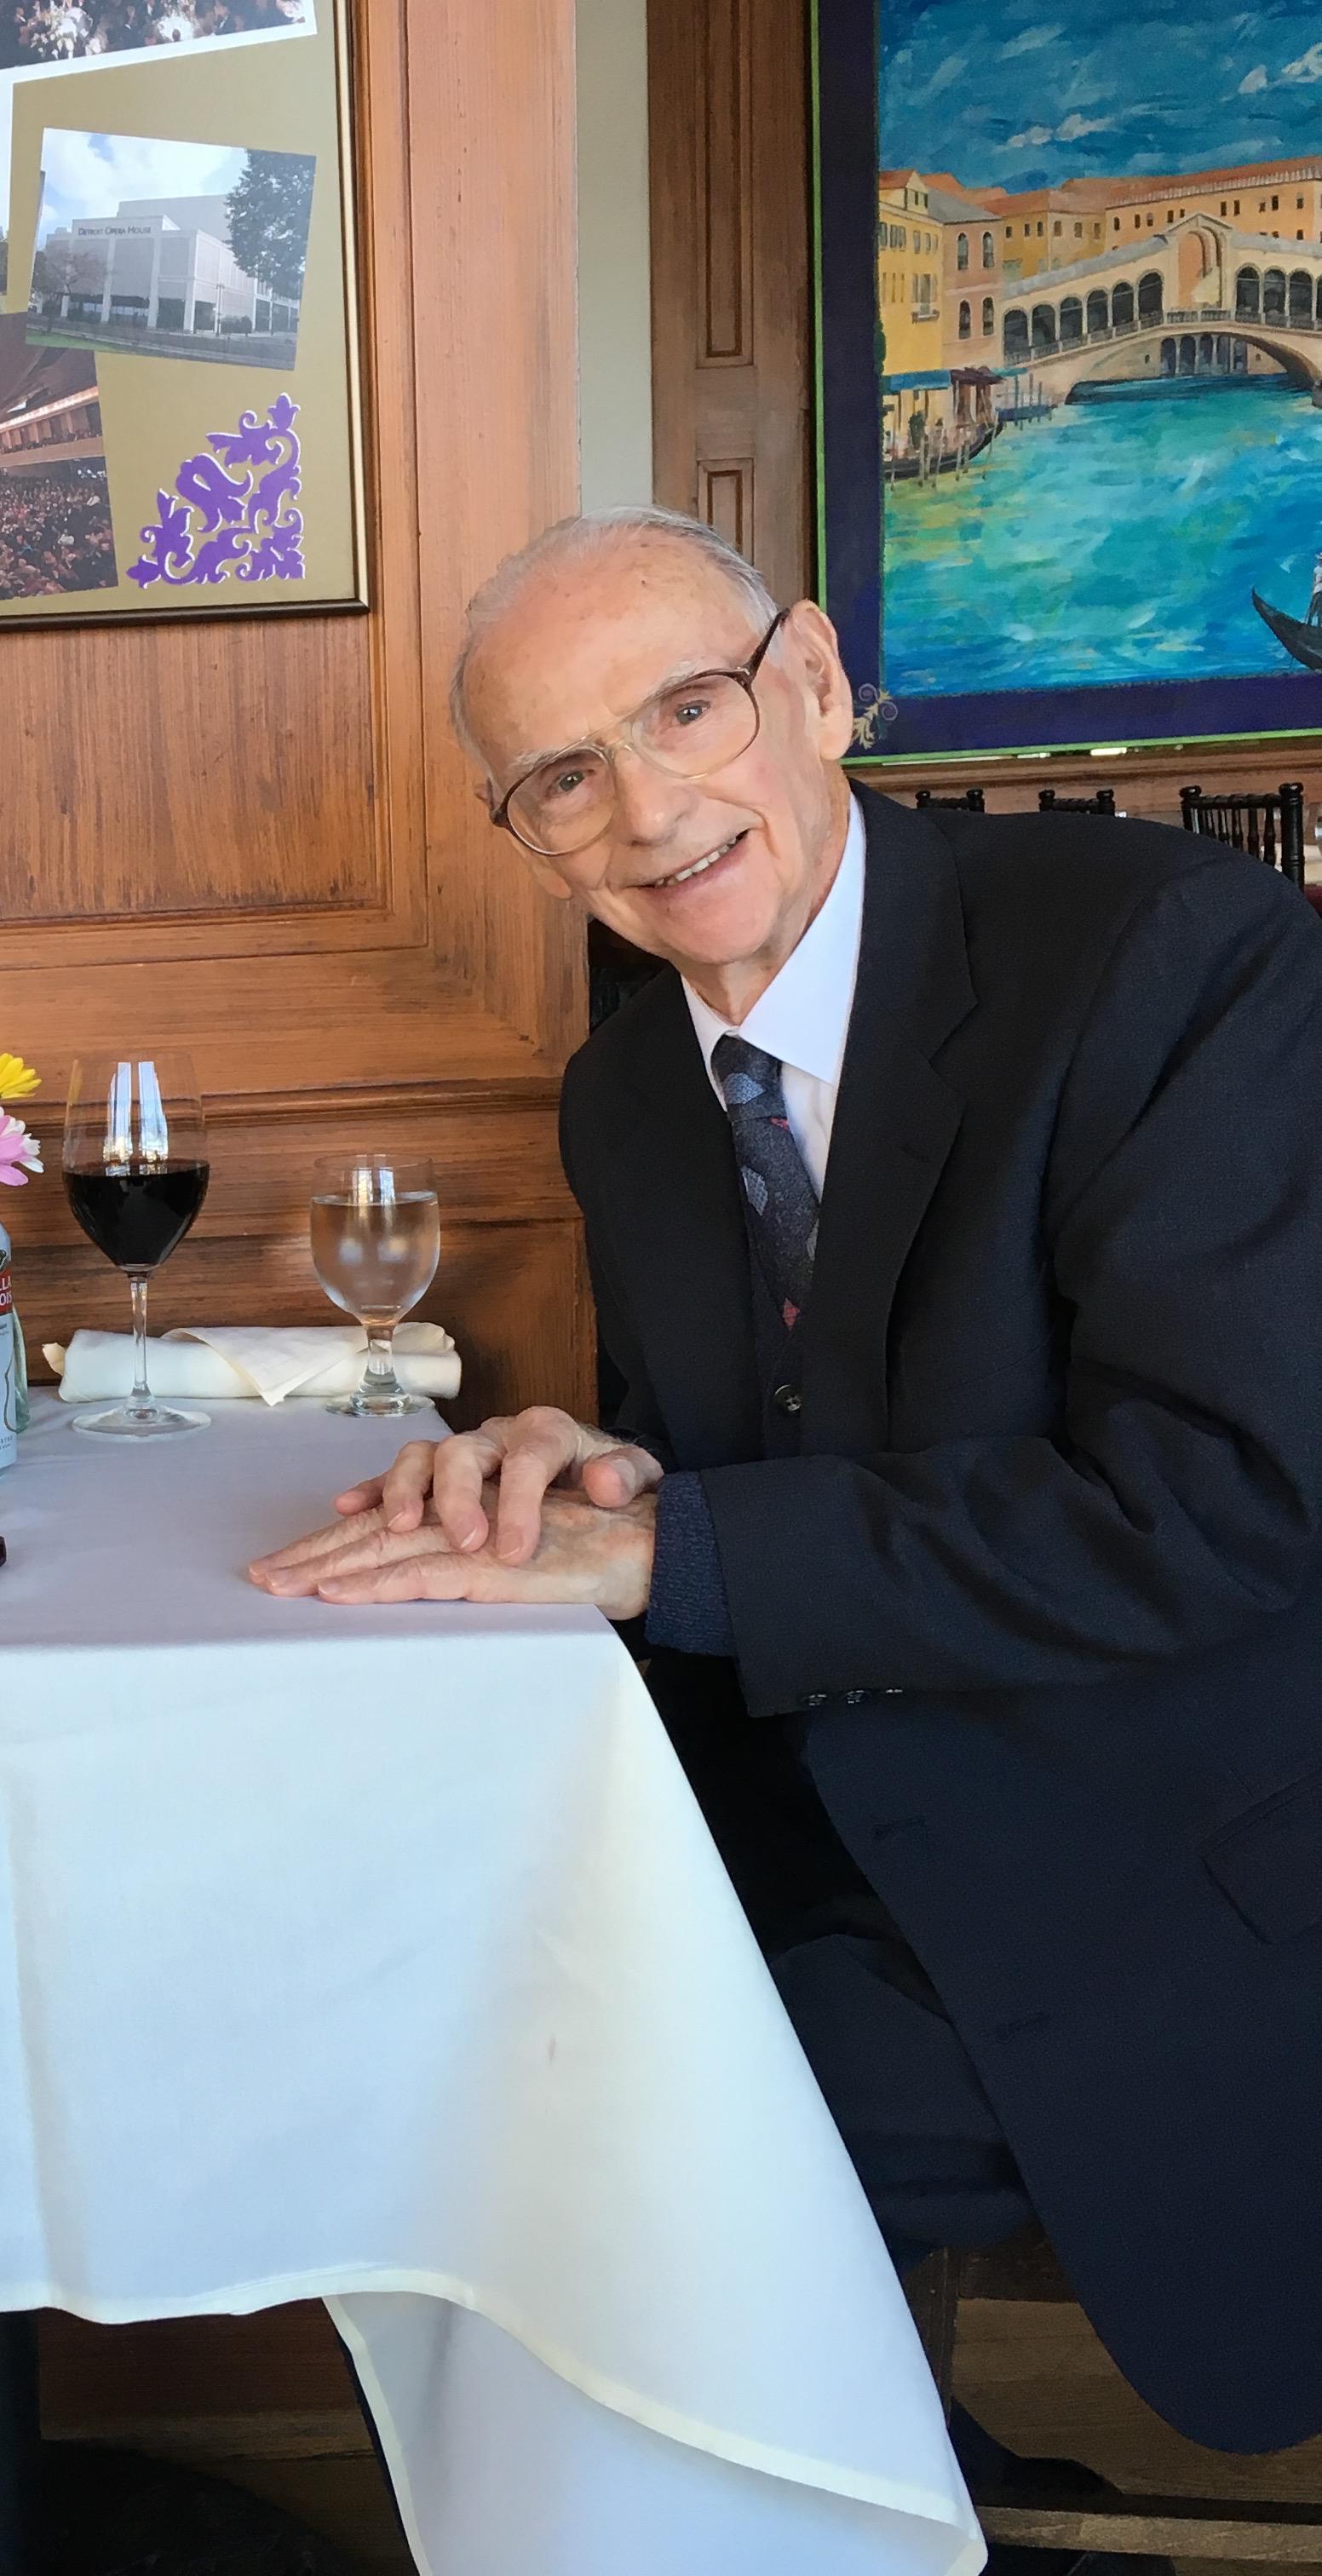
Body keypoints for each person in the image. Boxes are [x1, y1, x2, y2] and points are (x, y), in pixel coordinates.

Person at [253, 507, 1322, 2562]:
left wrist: (670, 1555)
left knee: (543, 2148)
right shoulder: (630, 1092)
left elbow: (1217, 1505)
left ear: (819, 684)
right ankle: (880, 2504)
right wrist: (600, 1468)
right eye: (567, 776)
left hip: (1165, 1858)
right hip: (827, 1821)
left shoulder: (1174, 957)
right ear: (529, 830)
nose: (649, 808)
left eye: (689, 709)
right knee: (387, 2004)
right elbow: (748, 1460)